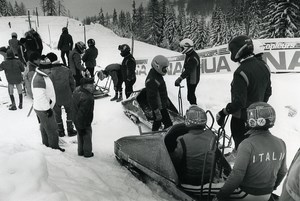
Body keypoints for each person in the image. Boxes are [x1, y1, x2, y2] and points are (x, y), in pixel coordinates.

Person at [214, 102, 287, 201]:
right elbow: (282, 172)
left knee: (207, 188)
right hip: (267, 193)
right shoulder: (281, 143)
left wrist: (220, 196)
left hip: (246, 193)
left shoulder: (247, 144)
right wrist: (271, 188)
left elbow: (237, 175)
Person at [216, 35, 272, 150]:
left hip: (241, 120)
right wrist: (258, 107)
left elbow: (238, 103)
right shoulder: (264, 66)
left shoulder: (240, 72)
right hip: (258, 120)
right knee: (255, 150)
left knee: (242, 151)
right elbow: (268, 92)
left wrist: (223, 113)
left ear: (237, 50)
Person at [170, 105, 215, 186]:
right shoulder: (211, 136)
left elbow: (175, 160)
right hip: (209, 176)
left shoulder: (182, 140)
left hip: (190, 179)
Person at [31, 58, 64, 152]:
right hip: (43, 108)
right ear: (42, 68)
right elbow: (40, 96)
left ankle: (46, 145)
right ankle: (54, 148)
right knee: (52, 128)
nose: (51, 70)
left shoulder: (41, 74)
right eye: (48, 68)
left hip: (41, 107)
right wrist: (47, 109)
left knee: (44, 126)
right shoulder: (39, 79)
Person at [46, 52, 77, 137]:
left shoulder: (49, 73)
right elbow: (72, 83)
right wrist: (72, 92)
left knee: (57, 114)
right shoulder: (66, 70)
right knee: (70, 112)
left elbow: (48, 87)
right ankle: (70, 129)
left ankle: (60, 130)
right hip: (67, 95)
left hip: (55, 97)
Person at [145, 55, 172, 131]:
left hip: (161, 105)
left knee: (159, 122)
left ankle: (156, 132)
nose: (166, 70)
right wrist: (156, 110)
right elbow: (151, 97)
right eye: (164, 68)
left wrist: (165, 100)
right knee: (165, 123)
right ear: (157, 66)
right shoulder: (152, 80)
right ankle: (155, 135)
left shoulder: (157, 75)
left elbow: (161, 91)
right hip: (158, 107)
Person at [72, 77, 95, 158]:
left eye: (93, 85)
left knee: (80, 134)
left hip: (75, 117)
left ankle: (80, 151)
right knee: (87, 135)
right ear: (85, 86)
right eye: (90, 86)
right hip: (83, 120)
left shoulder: (77, 89)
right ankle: (87, 153)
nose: (93, 87)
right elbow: (83, 113)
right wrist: (83, 124)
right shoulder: (87, 98)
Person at [175, 38, 200, 105]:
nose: (181, 50)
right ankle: (193, 107)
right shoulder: (189, 54)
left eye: (182, 48)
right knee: (190, 96)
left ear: (186, 47)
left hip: (193, 79)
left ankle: (194, 108)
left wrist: (180, 78)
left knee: (191, 96)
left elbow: (189, 70)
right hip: (190, 78)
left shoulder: (193, 58)